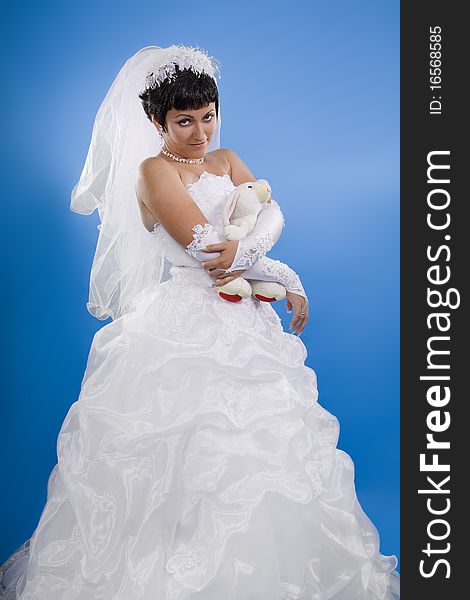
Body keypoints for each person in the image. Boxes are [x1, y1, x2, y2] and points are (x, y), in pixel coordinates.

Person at [0, 45, 400, 599]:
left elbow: (272, 214)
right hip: (184, 325)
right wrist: (277, 265)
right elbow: (211, 254)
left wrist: (278, 269)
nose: (199, 131)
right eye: (184, 121)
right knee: (185, 462)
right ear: (156, 122)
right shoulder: (152, 172)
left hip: (248, 323)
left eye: (207, 115)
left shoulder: (227, 159)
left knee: (264, 460)